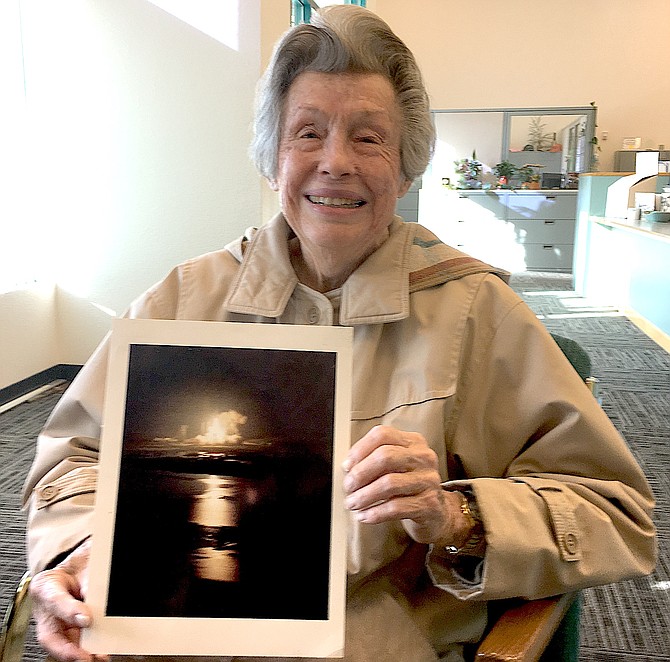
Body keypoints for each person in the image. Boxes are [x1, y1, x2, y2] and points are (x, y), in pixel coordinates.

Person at [23, 5, 656, 662]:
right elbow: (74, 461)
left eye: (368, 138)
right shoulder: (183, 298)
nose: (335, 162)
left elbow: (615, 512)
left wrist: (455, 515)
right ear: (272, 160)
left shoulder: (474, 311)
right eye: (307, 133)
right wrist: (84, 549)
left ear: (406, 169)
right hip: (180, 635)